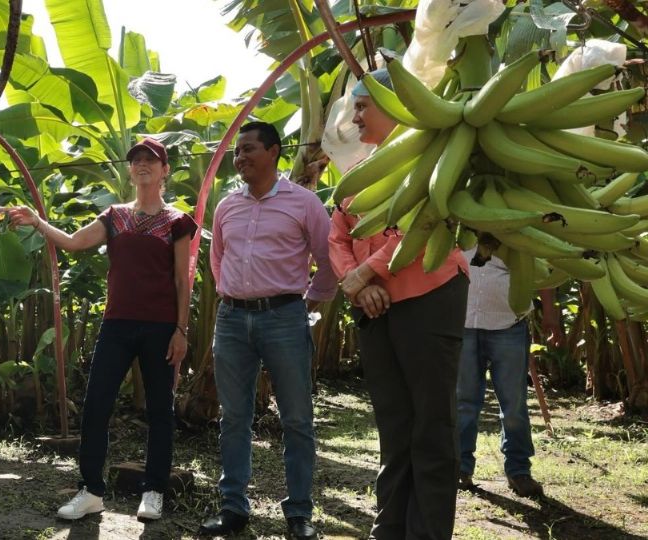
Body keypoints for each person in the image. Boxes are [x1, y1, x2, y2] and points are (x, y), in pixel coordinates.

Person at [5, 138, 195, 521]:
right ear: (130, 170)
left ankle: (154, 490)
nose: (142, 165)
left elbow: (180, 280)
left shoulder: (177, 221)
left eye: (151, 160)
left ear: (164, 170)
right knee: (96, 406)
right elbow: (75, 243)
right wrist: (38, 222)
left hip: (160, 327)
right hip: (117, 324)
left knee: (160, 409)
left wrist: (181, 330)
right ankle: (91, 490)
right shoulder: (115, 216)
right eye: (137, 160)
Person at [328, 68, 470, 540]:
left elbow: (426, 221)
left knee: (431, 425)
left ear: (394, 103)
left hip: (429, 298)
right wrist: (357, 283)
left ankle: (427, 533)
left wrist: (368, 272)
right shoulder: (358, 173)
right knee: (394, 424)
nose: (355, 116)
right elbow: (338, 233)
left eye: (363, 105)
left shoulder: (432, 161)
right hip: (375, 307)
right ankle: (388, 528)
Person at [199, 121, 335, 540]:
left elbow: (328, 260)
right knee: (234, 417)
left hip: (284, 317)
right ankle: (233, 508)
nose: (240, 157)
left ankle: (299, 515)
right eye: (237, 151)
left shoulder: (305, 203)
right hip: (233, 319)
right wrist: (231, 295)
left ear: (274, 152)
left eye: (249, 149)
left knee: (296, 418)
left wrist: (306, 302)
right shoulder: (227, 206)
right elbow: (217, 259)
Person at [457, 253, 560, 497]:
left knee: (514, 404)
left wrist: (550, 314)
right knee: (464, 402)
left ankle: (519, 471)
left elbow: (542, 267)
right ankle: (460, 467)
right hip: (463, 322)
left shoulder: (516, 225)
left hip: (509, 324)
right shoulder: (457, 223)